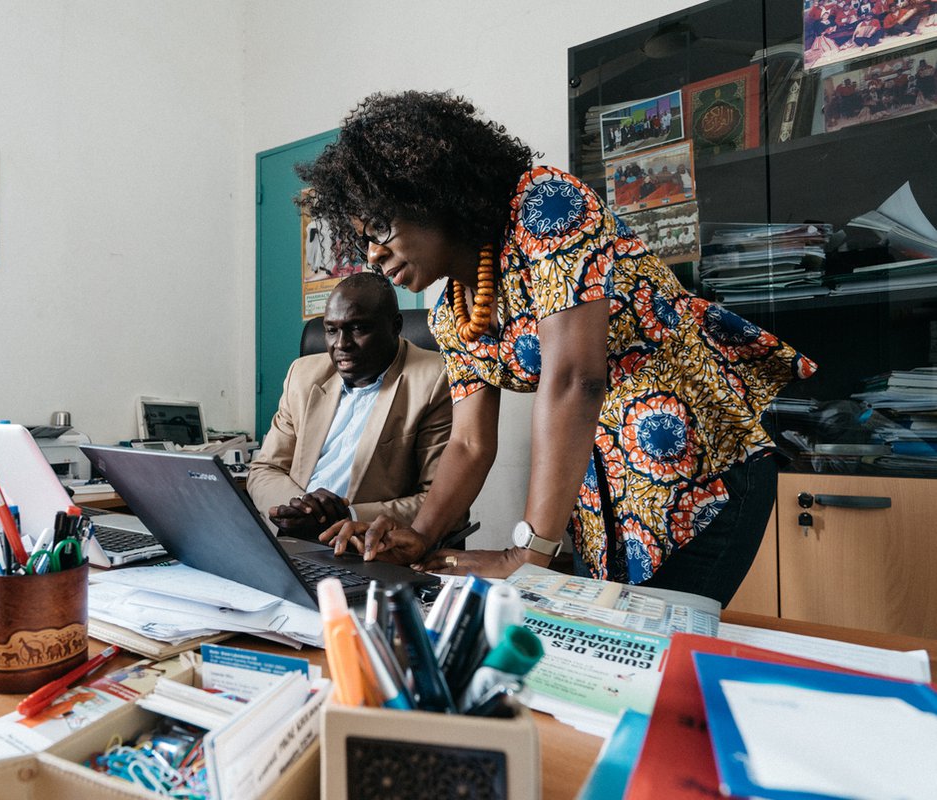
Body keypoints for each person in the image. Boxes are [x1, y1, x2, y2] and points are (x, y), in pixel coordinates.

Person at [296, 91, 816, 605]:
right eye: (362, 238)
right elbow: (470, 444)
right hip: (601, 501)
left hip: (695, 475)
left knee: (655, 660)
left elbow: (574, 380)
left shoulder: (547, 207)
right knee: (610, 669)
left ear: (428, 194)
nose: (374, 253)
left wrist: (528, 552)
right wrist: (423, 534)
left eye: (382, 227)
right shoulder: (453, 313)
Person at [246, 272, 458, 541]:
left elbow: (443, 500)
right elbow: (264, 469)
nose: (341, 344)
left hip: (367, 545)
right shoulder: (302, 375)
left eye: (358, 329)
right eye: (331, 330)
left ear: (395, 326)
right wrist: (301, 508)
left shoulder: (435, 379)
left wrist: (350, 517)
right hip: (293, 539)